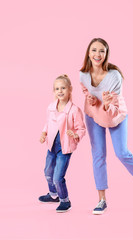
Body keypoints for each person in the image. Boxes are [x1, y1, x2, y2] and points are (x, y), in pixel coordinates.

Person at [80, 38, 133, 215]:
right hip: (94, 115)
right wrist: (91, 99)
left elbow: (114, 108)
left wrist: (108, 105)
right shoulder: (83, 75)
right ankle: (102, 200)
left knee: (122, 152)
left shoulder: (114, 76)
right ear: (88, 52)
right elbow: (85, 90)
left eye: (102, 51)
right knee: (98, 154)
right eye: (94, 50)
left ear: (106, 54)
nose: (97, 54)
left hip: (114, 115)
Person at [39, 74, 86, 213]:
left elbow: (81, 128)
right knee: (47, 172)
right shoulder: (51, 107)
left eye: (63, 88)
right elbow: (48, 123)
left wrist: (75, 134)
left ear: (70, 89)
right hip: (51, 146)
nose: (60, 91)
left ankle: (65, 200)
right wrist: (43, 133)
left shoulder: (74, 110)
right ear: (54, 91)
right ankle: (53, 195)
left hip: (64, 148)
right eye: (57, 88)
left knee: (57, 177)